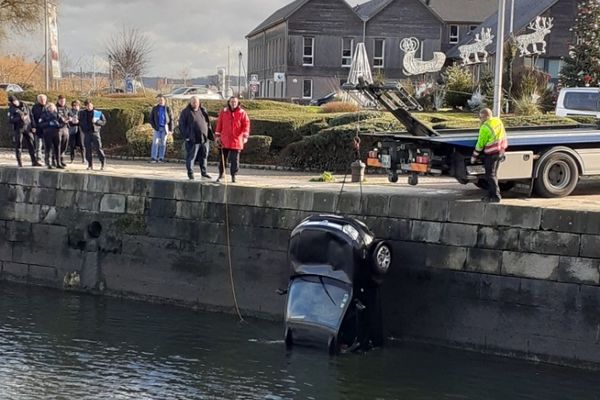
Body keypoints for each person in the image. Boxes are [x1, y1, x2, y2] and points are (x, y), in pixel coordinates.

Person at [470, 108, 508, 203]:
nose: (480, 119)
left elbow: (480, 144)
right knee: (493, 174)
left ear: (486, 116)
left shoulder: (485, 127)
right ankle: (491, 195)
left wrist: (474, 157)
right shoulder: (497, 121)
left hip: (492, 153)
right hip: (501, 151)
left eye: (481, 117)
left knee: (490, 175)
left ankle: (496, 196)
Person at [215, 96, 250, 183]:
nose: (233, 103)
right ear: (229, 102)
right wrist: (217, 136)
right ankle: (221, 174)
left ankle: (234, 175)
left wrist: (245, 136)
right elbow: (219, 123)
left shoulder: (242, 113)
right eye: (232, 102)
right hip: (224, 139)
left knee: (235, 160)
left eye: (235, 102)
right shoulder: (224, 112)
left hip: (236, 140)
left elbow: (246, 125)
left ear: (238, 103)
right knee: (222, 158)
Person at [178, 95, 213, 180]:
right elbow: (181, 125)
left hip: (204, 139)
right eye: (193, 102)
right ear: (190, 102)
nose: (195, 104)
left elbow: (208, 123)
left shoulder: (203, 110)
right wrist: (187, 136)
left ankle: (204, 172)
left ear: (199, 102)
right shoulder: (186, 112)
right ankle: (190, 173)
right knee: (191, 157)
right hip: (192, 139)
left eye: (196, 102)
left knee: (204, 156)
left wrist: (209, 134)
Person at [7, 95, 41, 167]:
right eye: (12, 102)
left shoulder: (25, 105)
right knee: (18, 144)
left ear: (17, 100)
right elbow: (10, 120)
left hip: (28, 127)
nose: (14, 103)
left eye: (14, 101)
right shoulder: (11, 109)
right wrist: (20, 118)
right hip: (18, 128)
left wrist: (33, 126)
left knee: (31, 143)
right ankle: (19, 162)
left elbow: (31, 115)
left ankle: (34, 161)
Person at [78, 99, 107, 171]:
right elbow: (80, 122)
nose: (89, 107)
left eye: (90, 105)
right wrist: (83, 128)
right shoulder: (82, 113)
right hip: (87, 133)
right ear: (85, 106)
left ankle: (103, 163)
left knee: (98, 148)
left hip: (95, 132)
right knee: (88, 149)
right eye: (87, 106)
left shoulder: (97, 113)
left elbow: (104, 122)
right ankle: (90, 164)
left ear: (92, 105)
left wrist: (97, 121)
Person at [38, 103, 64, 170]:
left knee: (57, 148)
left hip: (56, 133)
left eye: (52, 107)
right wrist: (48, 123)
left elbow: (63, 123)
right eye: (49, 107)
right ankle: (49, 163)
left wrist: (58, 125)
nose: (51, 108)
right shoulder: (44, 115)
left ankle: (58, 163)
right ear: (47, 108)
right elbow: (40, 124)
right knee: (48, 148)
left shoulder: (57, 114)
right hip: (47, 133)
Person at [149, 94, 174, 163]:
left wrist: (171, 129)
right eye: (159, 100)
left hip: (165, 128)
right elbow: (151, 119)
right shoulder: (155, 108)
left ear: (165, 101)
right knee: (155, 143)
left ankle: (161, 158)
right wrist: (154, 126)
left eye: (162, 100)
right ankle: (154, 158)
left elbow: (171, 119)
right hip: (157, 128)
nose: (161, 101)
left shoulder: (168, 108)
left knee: (163, 143)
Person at [31, 94, 48, 164]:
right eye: (41, 99)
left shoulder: (48, 107)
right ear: (38, 100)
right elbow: (32, 118)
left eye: (44, 99)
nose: (43, 101)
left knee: (47, 145)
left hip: (47, 129)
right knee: (38, 146)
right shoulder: (35, 107)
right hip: (38, 129)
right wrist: (33, 126)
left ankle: (47, 159)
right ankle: (38, 159)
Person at [56, 95, 71, 167]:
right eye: (61, 101)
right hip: (58, 128)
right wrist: (61, 119)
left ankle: (61, 158)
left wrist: (70, 118)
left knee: (64, 144)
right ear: (58, 100)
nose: (63, 102)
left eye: (64, 101)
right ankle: (56, 160)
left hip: (65, 127)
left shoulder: (66, 108)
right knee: (58, 144)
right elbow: (55, 116)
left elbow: (70, 114)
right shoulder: (55, 108)